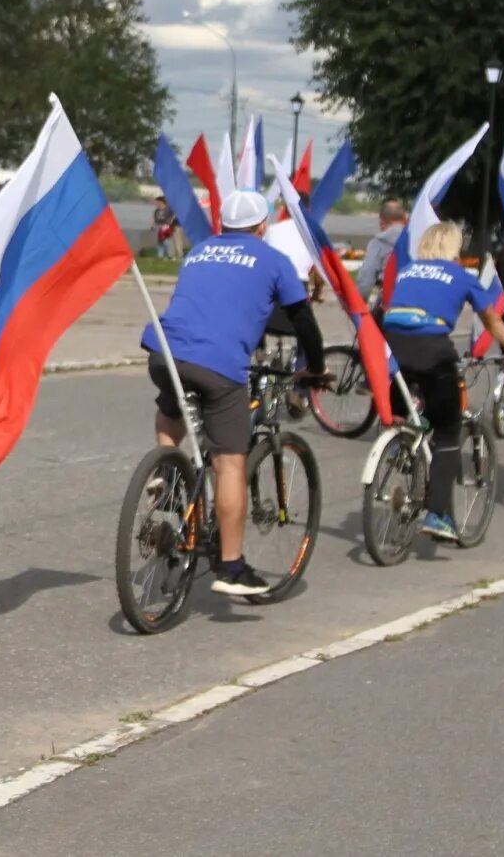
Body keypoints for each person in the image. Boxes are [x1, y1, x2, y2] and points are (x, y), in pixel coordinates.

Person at [142, 189, 325, 597]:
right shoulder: (273, 261)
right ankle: (231, 564)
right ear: (262, 227)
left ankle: (166, 472)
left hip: (164, 352)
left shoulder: (199, 252)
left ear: (222, 224)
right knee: (229, 463)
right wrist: (314, 368)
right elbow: (303, 320)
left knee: (170, 406)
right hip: (218, 364)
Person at [379, 220, 504, 541]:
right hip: (433, 350)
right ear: (453, 249)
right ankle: (438, 515)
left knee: (405, 413)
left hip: (391, 351)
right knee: (448, 433)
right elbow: (491, 318)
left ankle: (400, 445)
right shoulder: (461, 275)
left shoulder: (408, 271)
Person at [356, 198, 409, 302]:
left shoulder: (378, 243)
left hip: (389, 297)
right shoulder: (417, 238)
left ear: (381, 220)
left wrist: (359, 303)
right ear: (404, 219)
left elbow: (366, 278)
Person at [151, 195, 178, 260]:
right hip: (159, 226)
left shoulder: (168, 209)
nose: (156, 203)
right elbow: (154, 219)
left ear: (161, 202)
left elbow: (174, 215)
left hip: (166, 227)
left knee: (167, 241)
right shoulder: (157, 210)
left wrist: (170, 222)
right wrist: (152, 225)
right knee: (160, 242)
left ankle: (171, 256)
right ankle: (161, 256)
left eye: (157, 202)